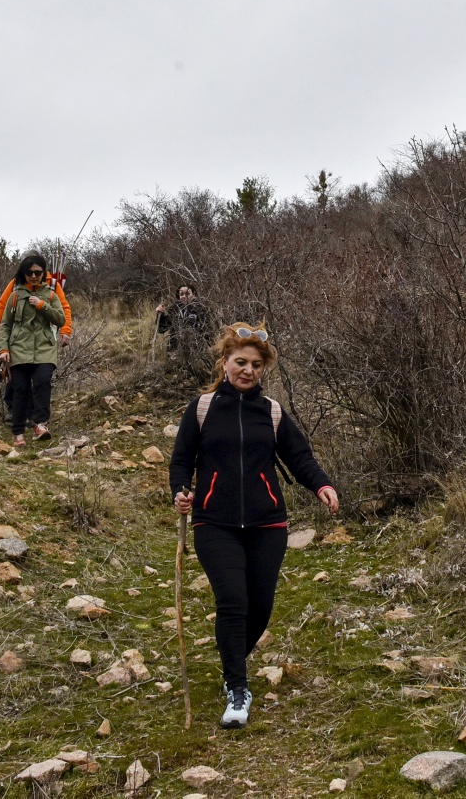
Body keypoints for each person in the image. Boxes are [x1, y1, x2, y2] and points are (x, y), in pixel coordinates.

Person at [168, 322, 339, 729]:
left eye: (256, 365)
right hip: (214, 522)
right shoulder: (202, 408)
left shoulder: (273, 412)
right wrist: (180, 490)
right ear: (224, 362)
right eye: (240, 362)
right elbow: (181, 459)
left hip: (267, 524)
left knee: (260, 607)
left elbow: (300, 458)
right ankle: (237, 688)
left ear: (263, 369)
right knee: (233, 601)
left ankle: (231, 660)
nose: (248, 370)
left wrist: (323, 485)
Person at [0, 254, 68, 445]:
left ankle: (41, 424)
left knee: (43, 382)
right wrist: (3, 349)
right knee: (21, 389)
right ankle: (18, 433)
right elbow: (5, 324)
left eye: (38, 272)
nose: (34, 276)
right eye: (29, 272)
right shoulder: (15, 295)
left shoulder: (51, 293)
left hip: (45, 347)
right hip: (19, 349)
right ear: (23, 274)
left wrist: (42, 305)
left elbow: (61, 318)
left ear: (44, 273)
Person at [155, 285, 212, 352]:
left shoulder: (201, 309)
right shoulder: (174, 309)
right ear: (178, 296)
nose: (184, 296)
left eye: (187, 294)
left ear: (193, 294)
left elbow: (208, 333)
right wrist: (160, 314)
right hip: (175, 350)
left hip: (196, 351)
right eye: (181, 294)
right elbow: (161, 329)